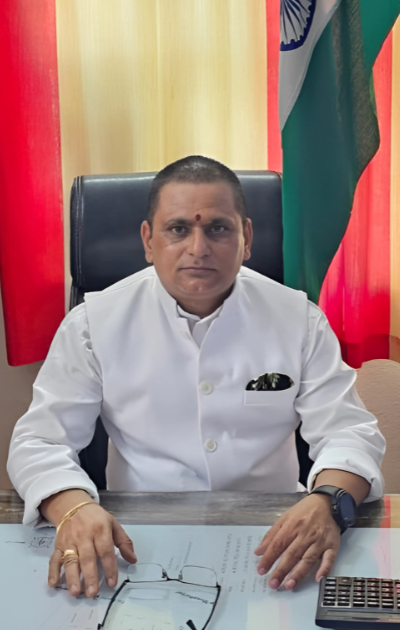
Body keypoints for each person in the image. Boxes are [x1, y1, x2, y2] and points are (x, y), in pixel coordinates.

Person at [7, 155, 385, 600]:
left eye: (218, 228)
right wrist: (72, 510)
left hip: (276, 535)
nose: (198, 248)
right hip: (134, 537)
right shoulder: (93, 323)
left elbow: (348, 432)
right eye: (178, 229)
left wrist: (329, 503)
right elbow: (40, 441)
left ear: (247, 238)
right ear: (148, 241)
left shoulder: (298, 319)